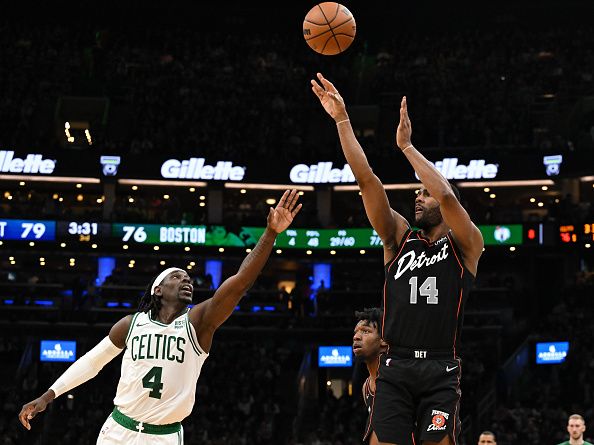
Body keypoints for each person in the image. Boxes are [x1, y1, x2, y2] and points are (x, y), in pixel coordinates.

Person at [18, 189, 302, 444]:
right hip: (118, 430)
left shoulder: (198, 323)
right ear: (158, 288)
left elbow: (240, 283)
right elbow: (92, 362)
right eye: (177, 277)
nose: (187, 280)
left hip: (164, 436)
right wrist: (48, 395)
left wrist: (270, 234)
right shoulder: (130, 325)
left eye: (189, 278)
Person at [312, 73, 484, 445]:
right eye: (416, 193)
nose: (418, 197)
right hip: (396, 365)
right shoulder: (398, 238)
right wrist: (343, 121)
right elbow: (366, 180)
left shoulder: (467, 243)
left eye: (426, 193)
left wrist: (407, 148)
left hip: (441, 366)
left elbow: (449, 198)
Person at [353, 307, 388, 445]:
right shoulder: (366, 387)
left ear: (384, 340)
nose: (356, 336)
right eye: (356, 332)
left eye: (366, 331)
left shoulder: (400, 378)